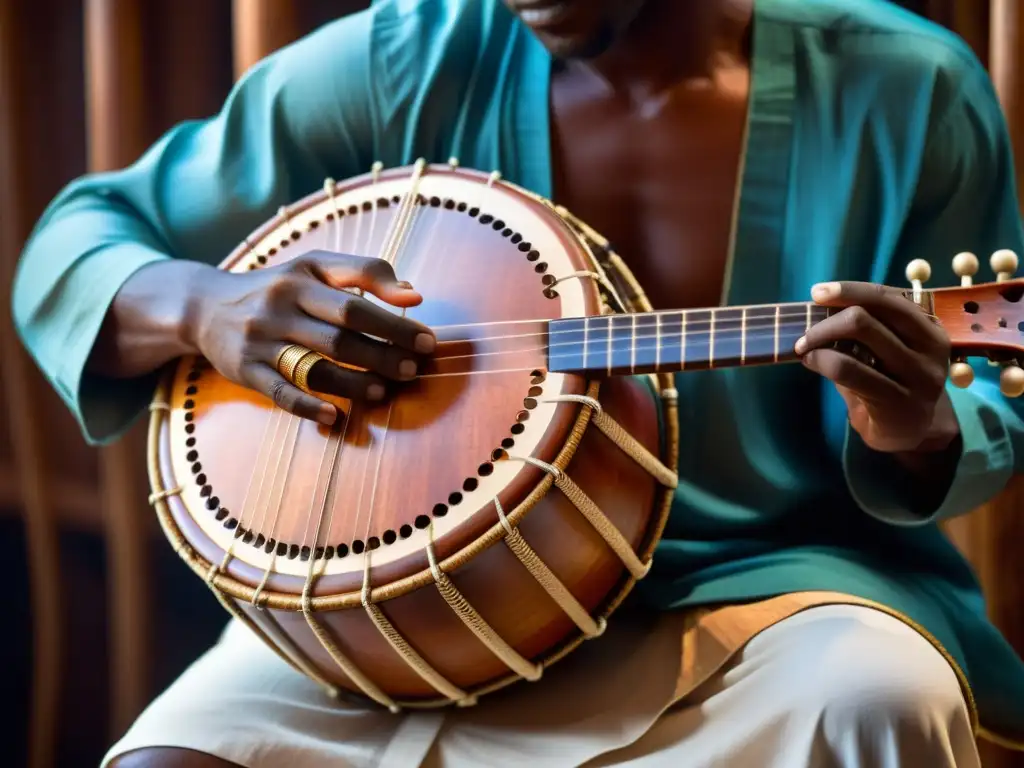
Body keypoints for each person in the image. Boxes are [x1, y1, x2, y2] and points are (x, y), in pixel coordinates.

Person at [11, 0, 1024, 765]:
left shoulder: (908, 88)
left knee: (877, 701)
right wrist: (203, 307)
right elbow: (76, 243)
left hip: (776, 598)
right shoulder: (408, 53)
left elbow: (981, 400)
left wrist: (917, 424)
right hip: (405, 605)